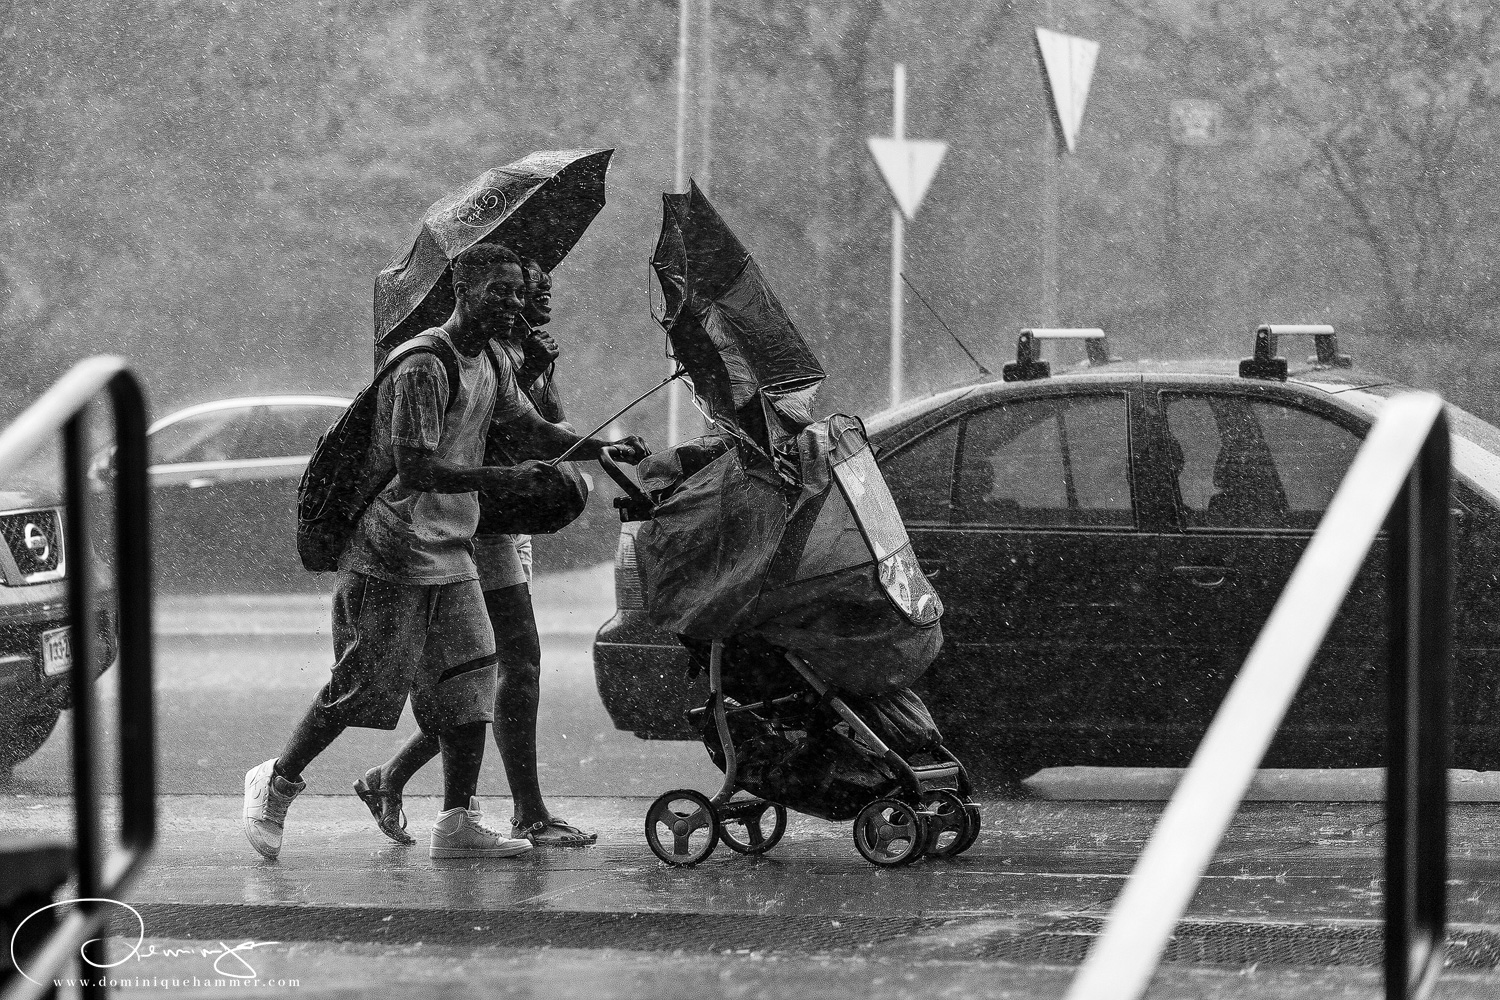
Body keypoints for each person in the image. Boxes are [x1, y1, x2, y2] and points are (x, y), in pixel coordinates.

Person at [243, 243, 537, 861]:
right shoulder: (425, 364)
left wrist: (600, 450)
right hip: (392, 550)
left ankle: (457, 821)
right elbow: (417, 466)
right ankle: (276, 779)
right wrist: (499, 479)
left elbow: (530, 427)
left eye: (519, 292)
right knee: (365, 685)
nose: (514, 304)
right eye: (500, 291)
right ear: (464, 289)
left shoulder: (497, 362)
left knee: (468, 681)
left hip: (451, 550)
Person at [355, 260, 650, 848]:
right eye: (519, 293)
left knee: (488, 666)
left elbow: (545, 426)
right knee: (510, 662)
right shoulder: (460, 357)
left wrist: (586, 433)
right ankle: (520, 811)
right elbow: (482, 445)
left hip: (502, 519)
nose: (535, 303)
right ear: (467, 294)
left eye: (537, 291)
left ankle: (395, 777)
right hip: (476, 519)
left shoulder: (511, 355)